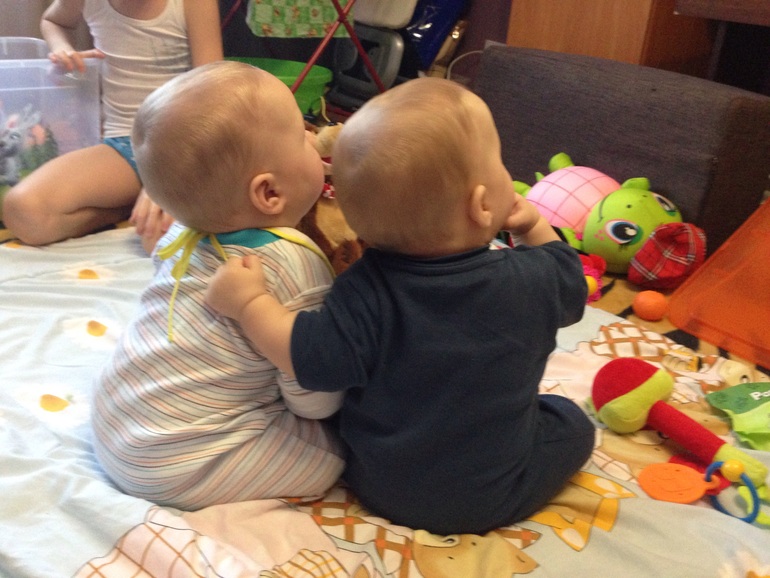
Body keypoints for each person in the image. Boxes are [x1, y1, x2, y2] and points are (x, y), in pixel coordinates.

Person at [205, 77, 596, 535]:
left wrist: (251, 303)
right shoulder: (533, 278)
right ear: (482, 206)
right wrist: (533, 228)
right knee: (572, 422)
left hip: (380, 484)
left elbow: (307, 356)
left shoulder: (360, 287)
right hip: (493, 492)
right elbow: (572, 286)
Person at [90, 60, 345, 509]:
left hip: (114, 421)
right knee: (332, 456)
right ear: (269, 193)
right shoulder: (295, 264)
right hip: (178, 461)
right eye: (301, 134)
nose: (313, 137)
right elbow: (314, 399)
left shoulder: (180, 234)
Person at [2, 0, 223, 253]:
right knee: (21, 211)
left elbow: (211, 91)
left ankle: (142, 205)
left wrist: (166, 178)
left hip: (181, 147)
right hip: (123, 145)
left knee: (158, 241)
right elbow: (53, 20)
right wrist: (62, 49)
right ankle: (122, 209)